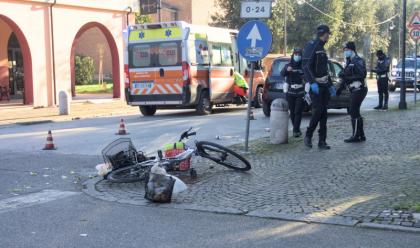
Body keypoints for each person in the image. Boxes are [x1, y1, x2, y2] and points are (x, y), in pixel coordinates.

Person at [302, 25, 336, 150]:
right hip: (315, 86)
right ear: (324, 34)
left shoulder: (322, 47)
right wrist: (312, 82)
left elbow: (324, 70)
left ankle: (322, 142)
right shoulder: (313, 45)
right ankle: (308, 135)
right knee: (319, 110)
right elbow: (305, 66)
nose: (329, 36)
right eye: (328, 34)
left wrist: (330, 85)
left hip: (324, 86)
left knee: (324, 114)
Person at [337, 42, 368, 143]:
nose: (345, 52)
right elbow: (345, 77)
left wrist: (348, 77)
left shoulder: (358, 60)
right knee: (355, 111)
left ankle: (355, 136)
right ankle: (361, 134)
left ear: (352, 50)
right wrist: (340, 89)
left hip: (359, 88)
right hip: (354, 89)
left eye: (346, 50)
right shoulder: (349, 61)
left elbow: (362, 75)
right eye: (344, 50)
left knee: (353, 111)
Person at [281, 48, 305, 137]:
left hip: (300, 92)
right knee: (292, 111)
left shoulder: (303, 66)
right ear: (293, 55)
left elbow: (307, 75)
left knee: (298, 111)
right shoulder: (288, 65)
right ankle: (296, 129)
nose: (297, 56)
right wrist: (287, 69)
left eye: (299, 54)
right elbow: (282, 73)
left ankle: (295, 130)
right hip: (290, 92)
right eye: (296, 54)